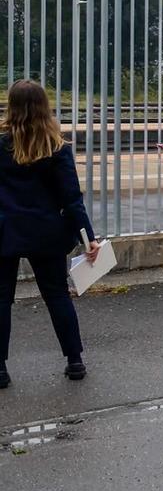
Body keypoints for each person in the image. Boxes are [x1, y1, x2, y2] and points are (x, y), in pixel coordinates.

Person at [0, 80, 101, 387]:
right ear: (45, 107)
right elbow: (71, 199)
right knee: (57, 295)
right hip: (47, 232)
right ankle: (74, 361)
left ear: (11, 106)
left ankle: (0, 370)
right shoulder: (57, 148)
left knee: (1, 300)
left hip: (5, 231)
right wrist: (88, 238)